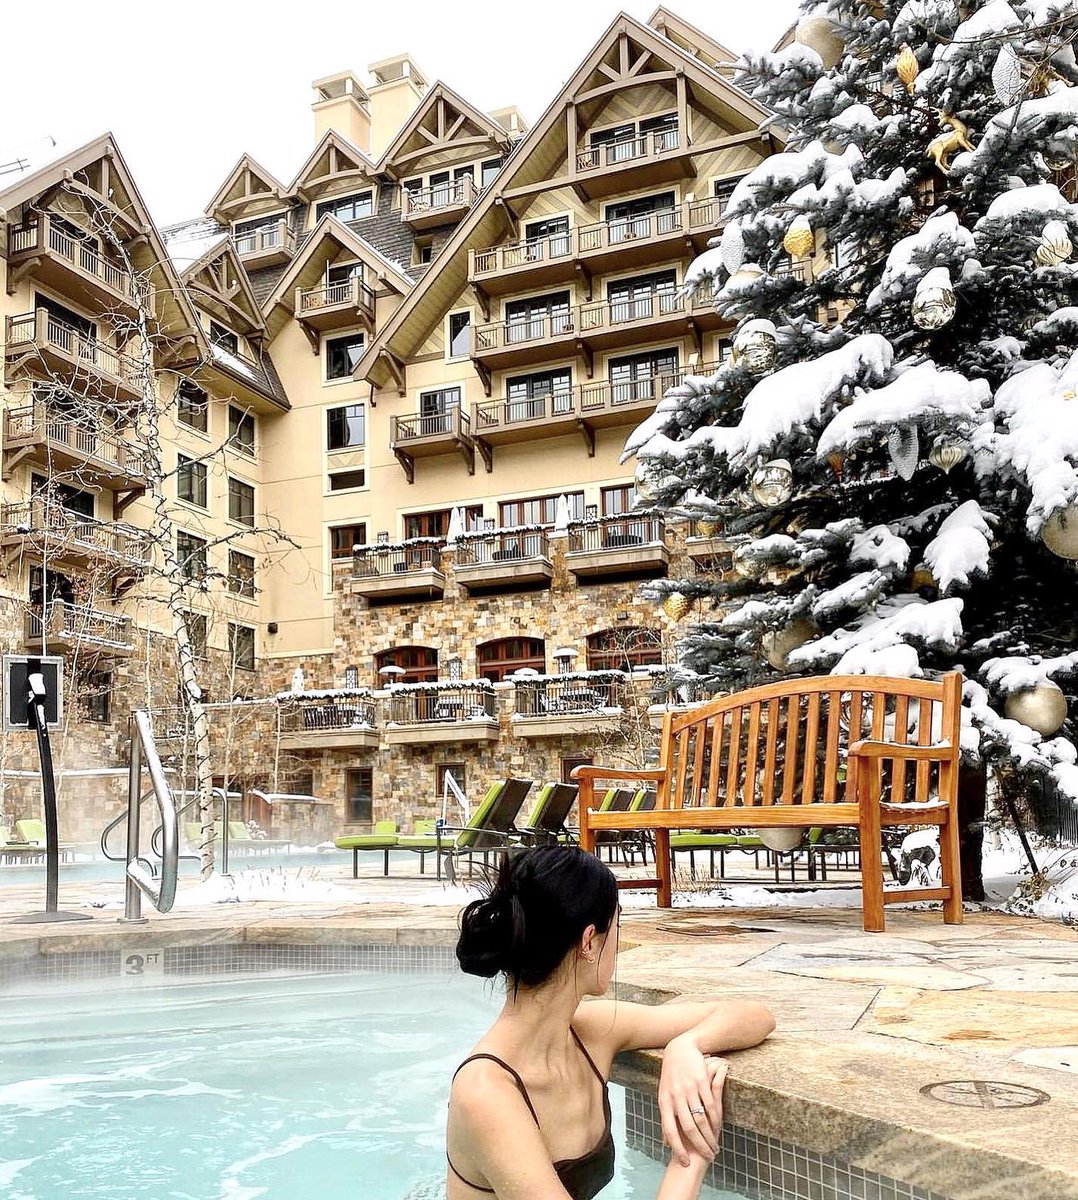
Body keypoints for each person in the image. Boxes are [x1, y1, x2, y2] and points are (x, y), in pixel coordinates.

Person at [446, 845, 775, 1199]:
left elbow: (755, 1015)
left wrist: (687, 1045)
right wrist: (691, 1156)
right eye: (618, 924)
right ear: (589, 940)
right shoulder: (485, 1094)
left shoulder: (590, 1033)